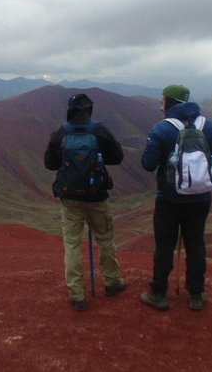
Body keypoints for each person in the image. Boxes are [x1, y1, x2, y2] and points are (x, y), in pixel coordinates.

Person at [140, 84, 212, 311]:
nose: (159, 106)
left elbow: (147, 164)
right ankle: (196, 295)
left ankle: (159, 293)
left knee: (165, 245)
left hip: (169, 199)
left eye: (162, 101)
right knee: (196, 244)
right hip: (201, 198)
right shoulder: (210, 127)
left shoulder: (161, 129)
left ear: (170, 103)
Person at [44, 93, 126, 311]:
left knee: (72, 244)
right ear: (89, 109)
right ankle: (111, 283)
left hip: (70, 198)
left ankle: (77, 293)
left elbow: (49, 164)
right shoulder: (99, 130)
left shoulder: (61, 132)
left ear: (69, 109)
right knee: (106, 240)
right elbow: (118, 157)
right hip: (97, 196)